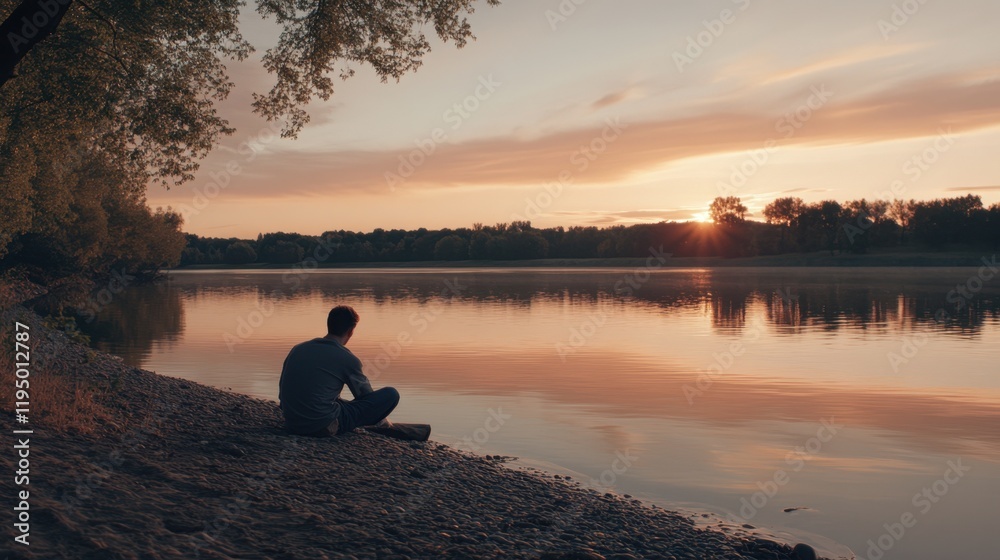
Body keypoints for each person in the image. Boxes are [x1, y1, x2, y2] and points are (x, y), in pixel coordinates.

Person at [278, 305, 399, 437]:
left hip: (291, 422)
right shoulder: (348, 359)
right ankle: (382, 423)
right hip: (322, 425)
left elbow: (282, 391)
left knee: (333, 398)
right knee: (391, 394)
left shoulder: (298, 349)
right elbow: (365, 396)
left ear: (329, 325)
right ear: (350, 331)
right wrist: (380, 416)